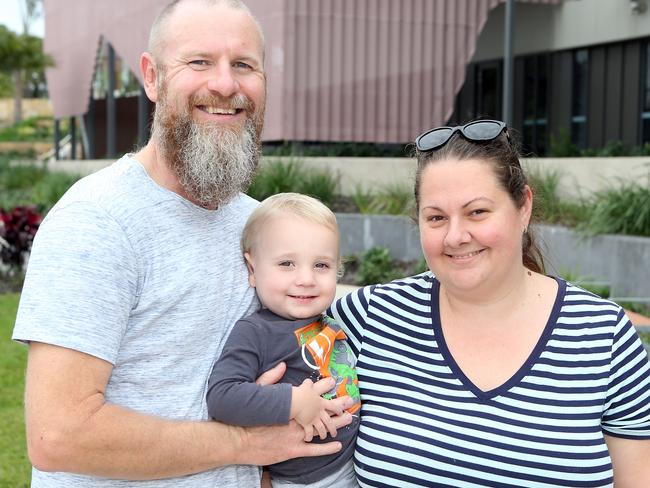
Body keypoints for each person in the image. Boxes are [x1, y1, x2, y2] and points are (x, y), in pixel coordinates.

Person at [12, 1, 351, 486]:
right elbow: (59, 435)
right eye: (199, 62)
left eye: (243, 65)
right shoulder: (98, 220)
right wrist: (250, 445)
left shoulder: (258, 223)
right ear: (151, 78)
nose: (226, 85)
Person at [328, 119, 650, 488]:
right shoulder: (368, 319)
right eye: (436, 218)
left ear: (523, 208)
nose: (455, 236)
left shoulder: (603, 336)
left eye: (477, 212)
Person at [206, 192, 360, 487]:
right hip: (304, 479)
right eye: (287, 264)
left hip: (352, 466)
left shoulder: (328, 320)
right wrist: (294, 402)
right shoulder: (255, 331)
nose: (306, 279)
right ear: (252, 269)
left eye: (321, 265)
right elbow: (222, 396)